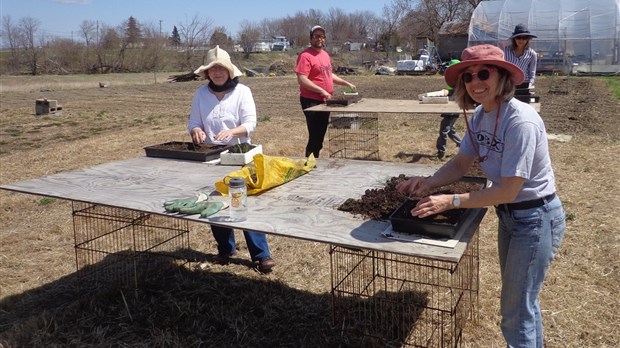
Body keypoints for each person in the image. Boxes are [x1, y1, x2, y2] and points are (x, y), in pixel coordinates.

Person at [396, 44, 565, 347]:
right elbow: (462, 163)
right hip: (511, 217)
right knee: (523, 303)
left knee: (515, 310)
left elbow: (509, 190)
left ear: (502, 77)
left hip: (536, 219)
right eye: (468, 77)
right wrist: (430, 181)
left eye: (484, 73)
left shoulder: (520, 121)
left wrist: (452, 200)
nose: (476, 82)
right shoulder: (479, 117)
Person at [189, 45, 276, 272]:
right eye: (212, 69)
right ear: (207, 73)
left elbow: (250, 124)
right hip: (210, 156)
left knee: (243, 201)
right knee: (214, 200)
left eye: (221, 68)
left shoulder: (242, 92)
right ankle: (225, 249)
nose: (217, 72)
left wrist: (232, 132)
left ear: (229, 71)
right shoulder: (200, 94)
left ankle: (260, 254)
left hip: (239, 155)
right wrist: (195, 131)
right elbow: (194, 122)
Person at [295, 25, 356, 158]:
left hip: (325, 100)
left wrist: (345, 83)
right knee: (315, 135)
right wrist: (321, 90)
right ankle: (310, 163)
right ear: (311, 38)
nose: (320, 39)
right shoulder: (305, 56)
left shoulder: (325, 55)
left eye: (322, 36)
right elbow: (302, 79)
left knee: (320, 134)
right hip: (312, 101)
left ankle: (314, 160)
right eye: (316, 36)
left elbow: (329, 75)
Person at [435, 59, 462, 159]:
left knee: (444, 131)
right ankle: (463, 145)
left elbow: (454, 93)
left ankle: (441, 152)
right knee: (451, 131)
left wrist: (447, 92)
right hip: (453, 109)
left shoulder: (459, 80)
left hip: (452, 109)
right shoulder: (456, 79)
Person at [503, 23, 538, 91]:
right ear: (514, 39)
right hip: (508, 84)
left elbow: (532, 73)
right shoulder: (505, 51)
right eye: (518, 37)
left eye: (524, 38)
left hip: (524, 84)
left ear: (528, 39)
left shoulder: (532, 54)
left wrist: (530, 84)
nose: (521, 40)